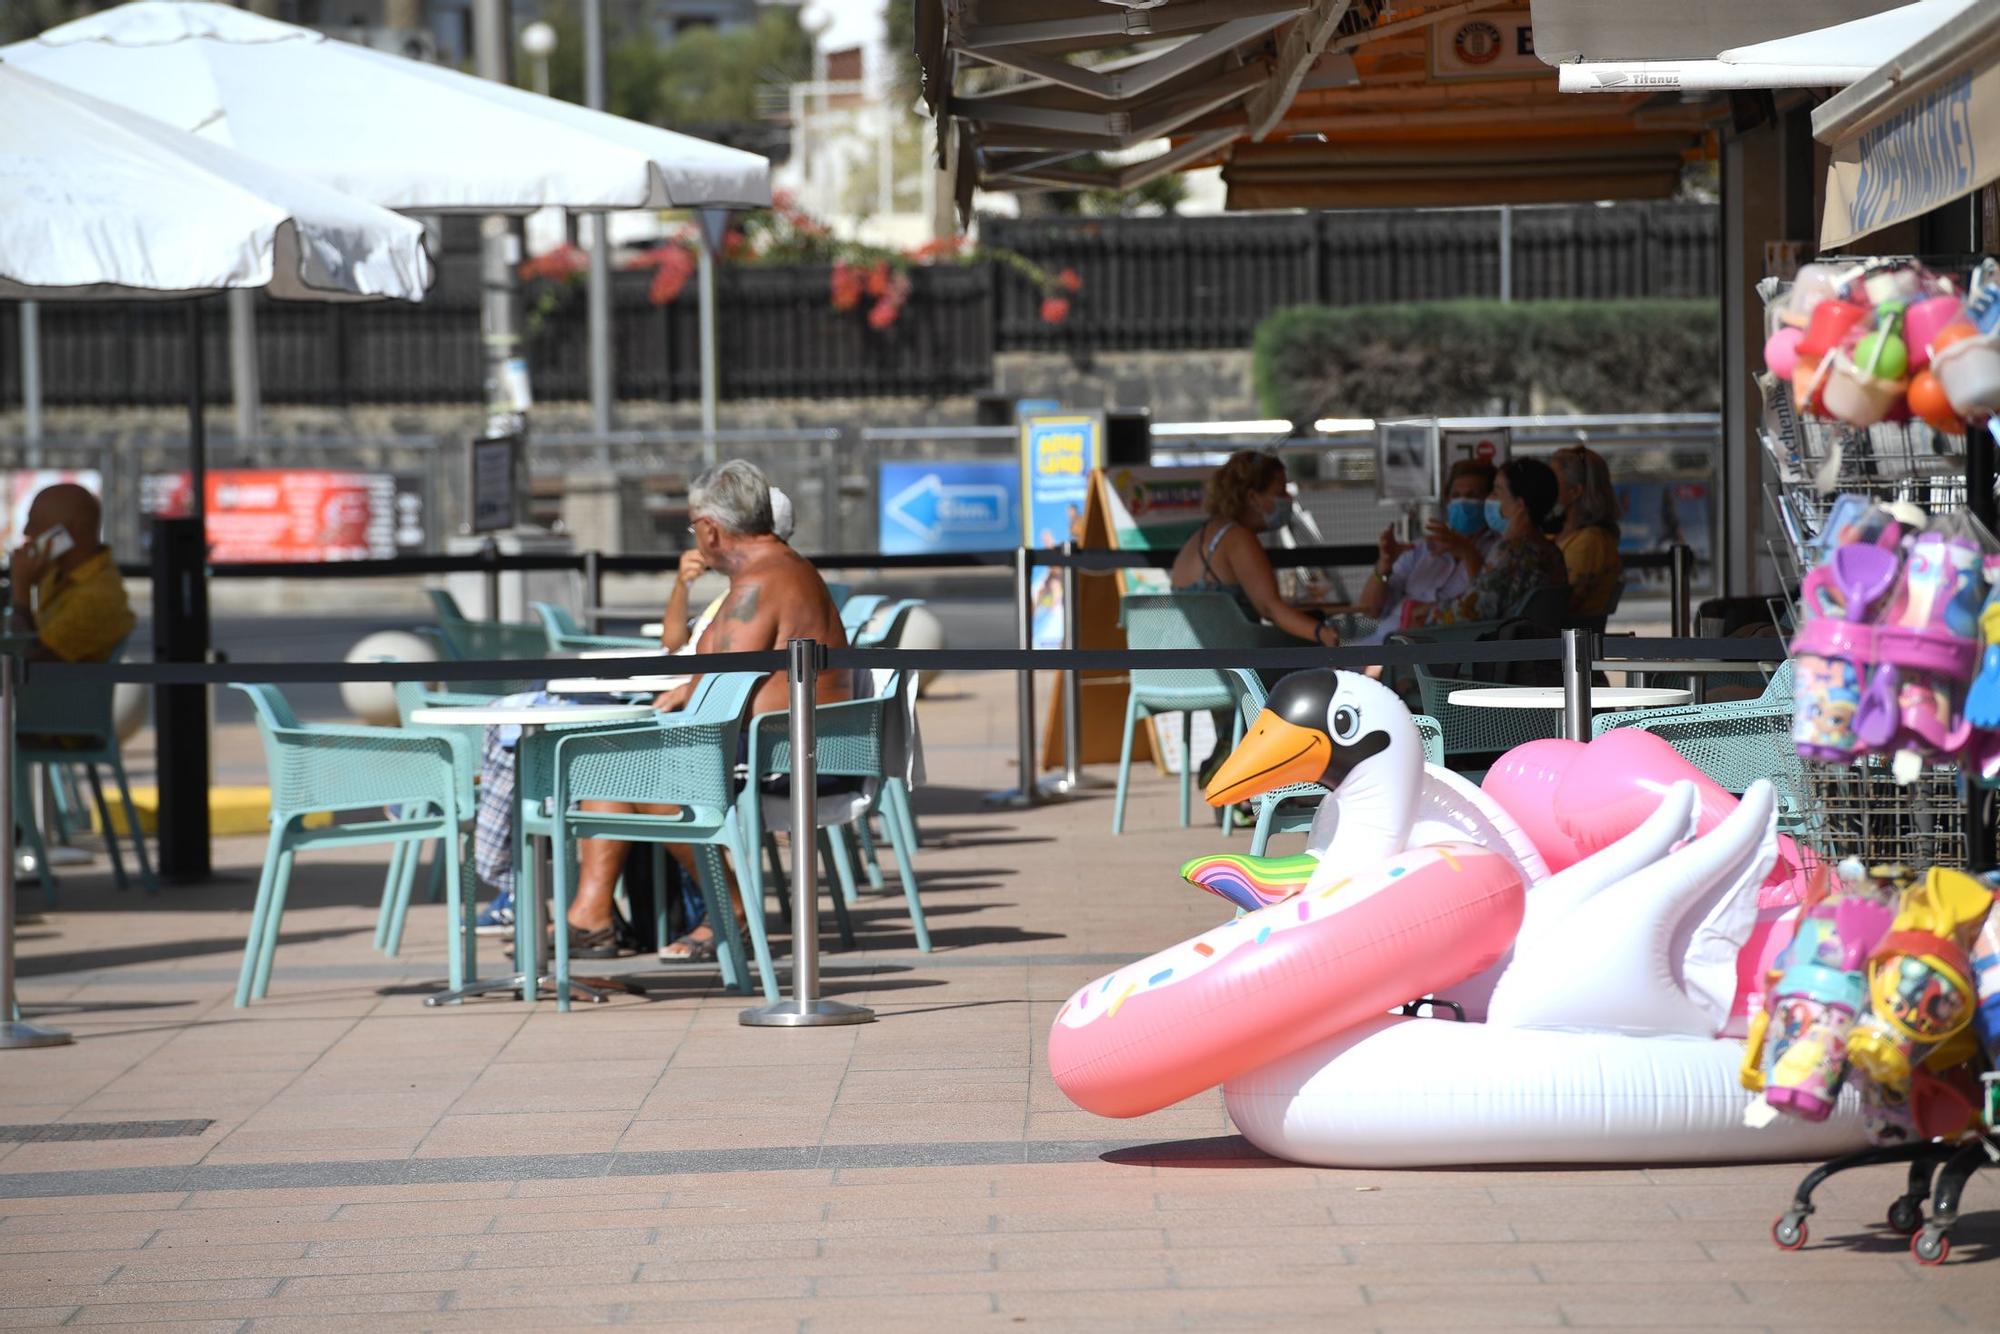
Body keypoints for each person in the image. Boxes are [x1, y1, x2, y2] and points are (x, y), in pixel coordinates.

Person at [569, 463, 850, 961]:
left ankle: (734, 911)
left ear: (711, 530)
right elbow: (709, 670)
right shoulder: (775, 570)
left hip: (796, 754)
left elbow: (718, 691)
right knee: (612, 766)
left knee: (640, 771)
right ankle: (590, 917)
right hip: (795, 741)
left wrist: (680, 694)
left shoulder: (761, 583)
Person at [1169, 450, 1337, 647]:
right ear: (1253, 497)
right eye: (1280, 492)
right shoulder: (1237, 537)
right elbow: (1270, 608)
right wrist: (1324, 634)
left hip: (1194, 663)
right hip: (1230, 667)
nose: (1288, 498)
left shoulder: (1204, 534)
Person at [1414, 457, 1567, 627]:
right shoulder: (1551, 551)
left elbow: (1473, 610)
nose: (1490, 499)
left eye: (1497, 491)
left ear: (1519, 505)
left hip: (1500, 648)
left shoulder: (1509, 552)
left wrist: (1429, 613)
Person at [1355, 459, 1496, 642]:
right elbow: (1370, 610)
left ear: (1489, 501)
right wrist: (1384, 566)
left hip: (1436, 654)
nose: (1462, 502)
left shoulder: (1496, 551)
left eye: (1472, 496)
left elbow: (1486, 602)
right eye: (1456, 495)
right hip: (1382, 645)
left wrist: (1467, 553)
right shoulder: (1421, 548)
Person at [658, 486, 796, 653]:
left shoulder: (759, 593)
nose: (709, 538)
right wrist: (682, 586)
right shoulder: (740, 589)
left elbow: (717, 669)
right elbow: (672, 646)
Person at [7, 482, 134, 663]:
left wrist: (21, 588)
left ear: (72, 531)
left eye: (37, 523)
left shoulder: (96, 597)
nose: (27, 531)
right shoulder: (57, 575)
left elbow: (27, 668)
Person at [1551, 445, 1624, 623]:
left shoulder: (1590, 543)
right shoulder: (1561, 535)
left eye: (1552, 481)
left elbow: (1562, 605)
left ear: (1574, 491)